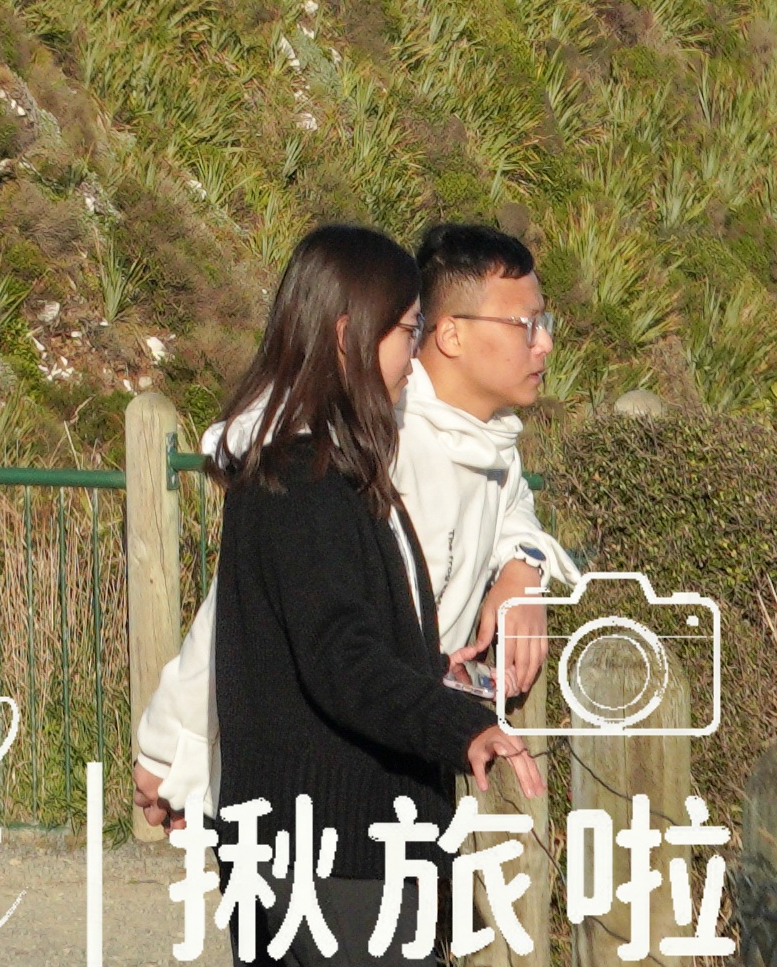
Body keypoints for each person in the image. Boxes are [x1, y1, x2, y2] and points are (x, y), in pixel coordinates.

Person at [194, 222, 544, 967]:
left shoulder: (306, 466)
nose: (415, 351)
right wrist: (462, 722)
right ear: (352, 335)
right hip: (337, 844)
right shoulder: (306, 480)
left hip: (285, 835)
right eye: (405, 331)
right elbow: (341, 658)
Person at [134, 217, 571, 832]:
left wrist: (522, 569)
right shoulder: (374, 442)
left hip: (405, 766)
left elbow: (511, 494)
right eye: (525, 325)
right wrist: (172, 750)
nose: (544, 343)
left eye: (543, 324)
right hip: (331, 785)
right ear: (447, 333)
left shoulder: (489, 439)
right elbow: (247, 607)